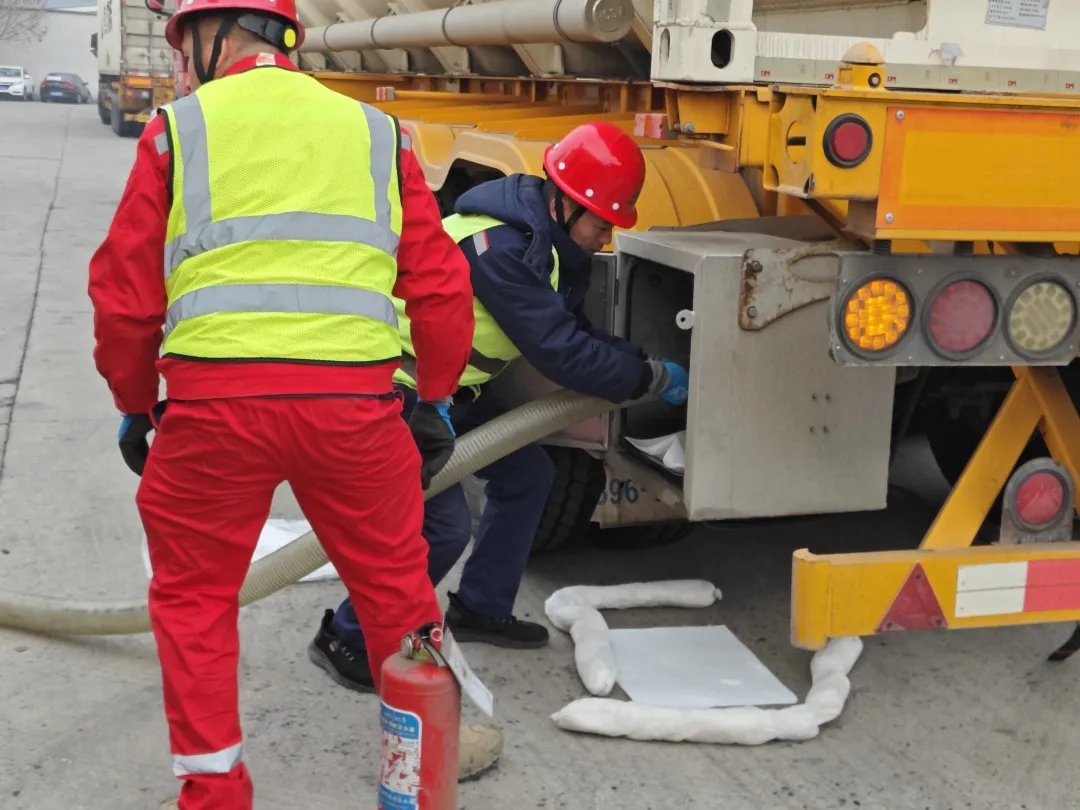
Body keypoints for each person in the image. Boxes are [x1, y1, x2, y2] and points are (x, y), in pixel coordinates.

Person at [86, 1, 503, 807]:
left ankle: (216, 796)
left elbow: (123, 298)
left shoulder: (178, 130)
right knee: (399, 591)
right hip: (356, 414)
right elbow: (442, 287)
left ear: (215, 36)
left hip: (213, 414)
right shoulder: (377, 133)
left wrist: (137, 405)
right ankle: (421, 778)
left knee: (194, 602)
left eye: (184, 48)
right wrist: (434, 398)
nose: (181, 67)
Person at [309, 122, 690, 692]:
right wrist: (652, 379)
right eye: (602, 224)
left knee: (528, 476)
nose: (605, 238)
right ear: (566, 203)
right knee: (440, 527)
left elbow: (575, 332)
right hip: (400, 388)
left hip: (450, 391)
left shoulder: (544, 246)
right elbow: (562, 352)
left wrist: (640, 361)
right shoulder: (499, 249)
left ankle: (481, 606)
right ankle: (346, 636)